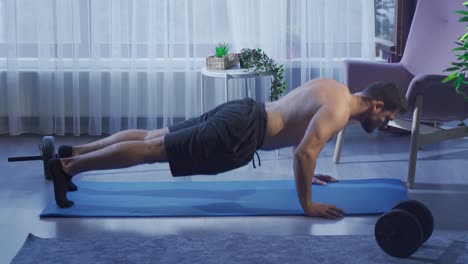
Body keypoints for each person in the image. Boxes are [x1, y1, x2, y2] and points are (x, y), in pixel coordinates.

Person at [48, 78, 408, 218]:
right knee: (154, 150)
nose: (386, 124)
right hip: (242, 132)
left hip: (244, 110)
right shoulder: (340, 112)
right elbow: (304, 153)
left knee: (151, 137)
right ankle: (66, 169)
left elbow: (299, 130)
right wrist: (307, 205)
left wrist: (311, 174)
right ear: (378, 105)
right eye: (388, 116)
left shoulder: (334, 88)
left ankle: (74, 153)